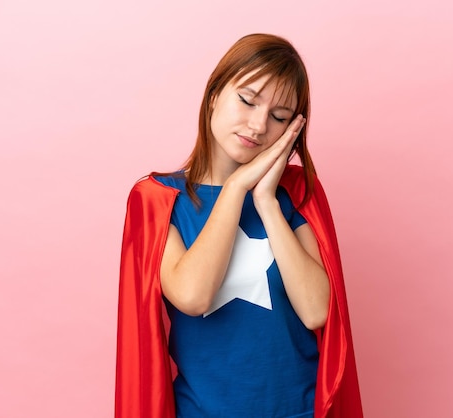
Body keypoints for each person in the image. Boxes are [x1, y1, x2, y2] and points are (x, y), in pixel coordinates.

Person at [115, 33, 363, 418]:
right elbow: (193, 296)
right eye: (247, 101)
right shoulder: (158, 199)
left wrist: (264, 200)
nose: (258, 125)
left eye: (279, 116)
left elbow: (317, 312)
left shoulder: (293, 194)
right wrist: (235, 188)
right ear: (215, 94)